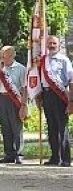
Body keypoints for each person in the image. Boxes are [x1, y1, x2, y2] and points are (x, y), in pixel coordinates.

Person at [36, 35, 73, 166]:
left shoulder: (64, 60)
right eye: (50, 43)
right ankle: (55, 157)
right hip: (47, 95)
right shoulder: (42, 61)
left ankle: (66, 159)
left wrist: (71, 101)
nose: (51, 45)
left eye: (54, 43)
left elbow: (71, 81)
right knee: (51, 128)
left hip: (60, 96)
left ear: (58, 45)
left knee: (62, 128)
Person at [0, 45, 27, 164]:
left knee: (16, 127)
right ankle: (9, 154)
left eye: (5, 56)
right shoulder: (0, 69)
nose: (3, 59)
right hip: (1, 99)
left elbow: (24, 88)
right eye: (1, 56)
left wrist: (24, 104)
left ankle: (18, 153)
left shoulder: (20, 68)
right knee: (5, 127)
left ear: (12, 55)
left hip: (14, 100)